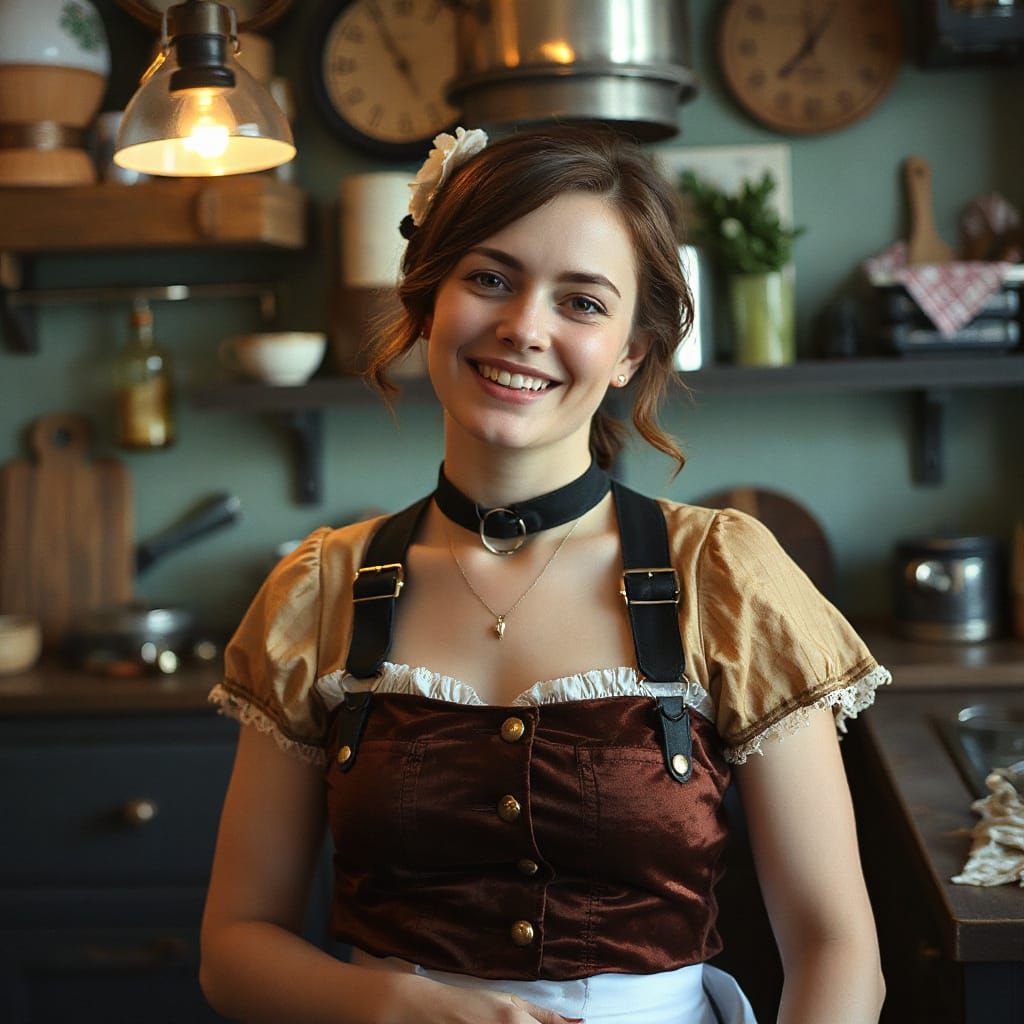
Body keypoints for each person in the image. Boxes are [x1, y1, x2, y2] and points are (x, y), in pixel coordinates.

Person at [200, 125, 889, 1024]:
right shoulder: (320, 587)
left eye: (583, 303)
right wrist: (407, 1008)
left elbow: (839, 953)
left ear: (631, 355)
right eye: (490, 278)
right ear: (427, 303)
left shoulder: (722, 575)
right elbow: (235, 948)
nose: (525, 328)